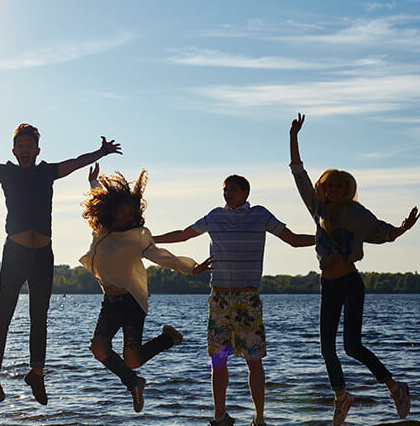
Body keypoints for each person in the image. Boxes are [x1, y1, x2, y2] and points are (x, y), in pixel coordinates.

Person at [0, 123, 121, 404]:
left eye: (31, 147)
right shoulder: (6, 173)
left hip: (43, 255)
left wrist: (100, 151)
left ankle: (37, 374)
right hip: (15, 253)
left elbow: (75, 164)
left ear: (37, 150)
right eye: (22, 147)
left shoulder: (47, 172)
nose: (26, 151)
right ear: (15, 151)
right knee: (3, 315)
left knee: (38, 318)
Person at [154, 173, 315, 426]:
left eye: (232, 190)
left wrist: (326, 239)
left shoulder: (260, 215)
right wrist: (149, 239)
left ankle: (259, 418)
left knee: (254, 361)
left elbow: (293, 240)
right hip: (219, 299)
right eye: (225, 190)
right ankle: (220, 417)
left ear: (245, 193)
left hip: (247, 299)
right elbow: (183, 235)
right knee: (218, 362)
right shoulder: (215, 216)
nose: (227, 194)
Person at [288, 113, 416, 425]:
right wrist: (293, 138)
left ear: (348, 189)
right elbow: (299, 175)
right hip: (327, 284)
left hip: (349, 282)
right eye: (330, 185)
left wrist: (402, 228)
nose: (333, 189)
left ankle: (395, 387)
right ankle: (342, 397)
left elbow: (381, 232)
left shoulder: (356, 213)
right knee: (327, 349)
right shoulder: (317, 209)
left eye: (340, 186)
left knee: (352, 345)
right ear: (325, 187)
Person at [79, 164, 213, 412]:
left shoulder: (137, 237)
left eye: (131, 214)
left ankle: (168, 339)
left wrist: (192, 268)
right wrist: (93, 184)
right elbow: (101, 200)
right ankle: (134, 383)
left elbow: (162, 256)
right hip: (109, 303)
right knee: (98, 348)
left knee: (132, 360)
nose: (126, 218)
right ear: (112, 211)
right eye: (122, 212)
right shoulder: (101, 230)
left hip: (131, 302)